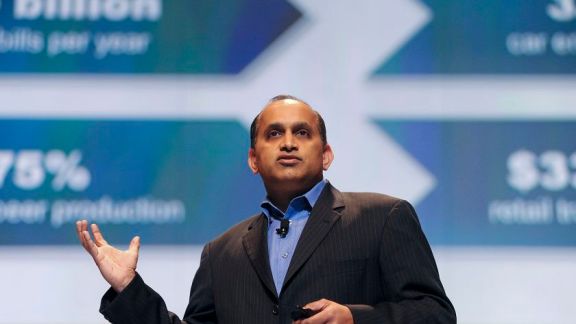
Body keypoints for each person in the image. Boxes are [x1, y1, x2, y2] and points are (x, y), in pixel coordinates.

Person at [77, 95, 456, 324]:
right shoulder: (220, 252)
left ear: (326, 155)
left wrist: (356, 318)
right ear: (253, 159)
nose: (288, 143)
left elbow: (436, 315)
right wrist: (128, 288)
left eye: (302, 133)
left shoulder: (383, 218)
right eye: (274, 134)